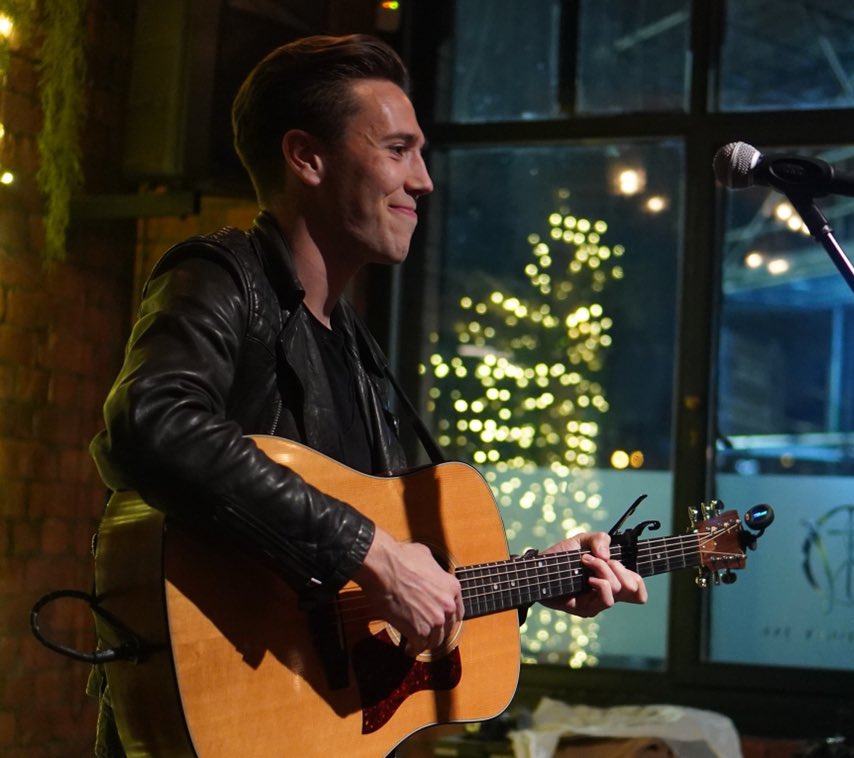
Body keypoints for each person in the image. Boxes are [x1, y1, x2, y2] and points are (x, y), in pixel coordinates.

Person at [88, 34, 647, 756]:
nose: (424, 181)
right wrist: (372, 554)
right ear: (307, 157)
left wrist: (537, 579)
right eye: (398, 150)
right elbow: (151, 422)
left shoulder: (355, 348)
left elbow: (368, 610)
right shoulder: (223, 278)